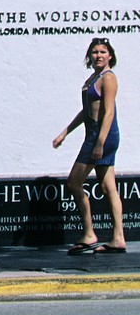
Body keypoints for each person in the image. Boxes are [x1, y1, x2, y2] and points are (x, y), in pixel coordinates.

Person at [53, 36, 126, 254]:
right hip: (94, 134)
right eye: (95, 52)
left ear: (110, 56)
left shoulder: (108, 78)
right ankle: (118, 238)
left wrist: (100, 143)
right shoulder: (93, 79)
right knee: (107, 187)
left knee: (73, 183)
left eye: (103, 52)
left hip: (101, 136)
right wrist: (64, 133)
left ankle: (89, 233)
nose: (98, 55)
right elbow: (86, 111)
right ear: (89, 56)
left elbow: (109, 112)